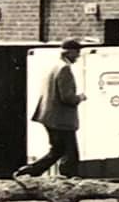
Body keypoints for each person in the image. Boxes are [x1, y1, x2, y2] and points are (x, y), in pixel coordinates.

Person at [19, 39, 84, 180]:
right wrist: (80, 97)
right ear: (69, 52)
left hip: (50, 116)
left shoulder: (54, 66)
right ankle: (70, 180)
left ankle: (29, 172)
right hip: (61, 119)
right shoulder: (64, 69)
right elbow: (67, 97)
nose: (78, 56)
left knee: (57, 150)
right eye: (77, 53)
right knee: (71, 153)